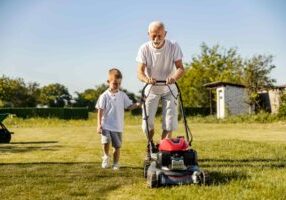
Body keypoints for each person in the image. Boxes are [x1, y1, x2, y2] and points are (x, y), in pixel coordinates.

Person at [136, 21, 185, 159]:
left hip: (169, 89)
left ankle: (163, 149)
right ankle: (150, 145)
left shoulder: (173, 46)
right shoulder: (144, 49)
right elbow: (139, 72)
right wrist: (147, 79)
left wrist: (174, 77)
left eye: (159, 35)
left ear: (165, 34)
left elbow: (181, 68)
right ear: (148, 35)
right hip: (151, 89)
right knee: (147, 124)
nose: (156, 39)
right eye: (153, 36)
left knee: (169, 123)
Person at [96, 68, 140, 170]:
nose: (117, 85)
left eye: (119, 84)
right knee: (105, 141)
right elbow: (100, 110)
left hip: (117, 125)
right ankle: (106, 157)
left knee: (117, 146)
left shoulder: (122, 95)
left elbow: (129, 106)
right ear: (108, 82)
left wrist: (138, 104)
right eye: (115, 83)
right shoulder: (104, 96)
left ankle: (115, 163)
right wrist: (99, 124)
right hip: (106, 124)